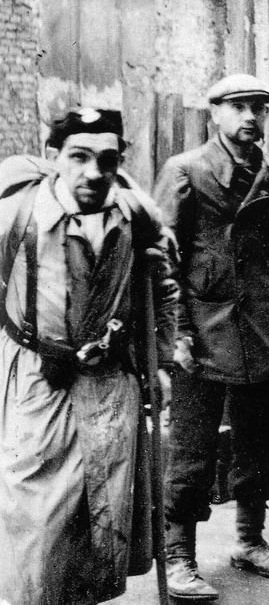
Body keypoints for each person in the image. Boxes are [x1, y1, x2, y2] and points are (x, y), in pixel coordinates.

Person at [0, 108, 178, 604]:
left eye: (106, 159)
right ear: (54, 157)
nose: (93, 173)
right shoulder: (19, 215)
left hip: (109, 385)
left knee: (102, 513)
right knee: (37, 521)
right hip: (41, 382)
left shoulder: (134, 215)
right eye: (79, 157)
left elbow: (162, 286)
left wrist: (160, 360)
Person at [155, 74, 269, 601]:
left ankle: (250, 540)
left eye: (259, 109)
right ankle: (180, 554)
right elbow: (164, 262)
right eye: (239, 107)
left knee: (258, 446)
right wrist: (176, 333)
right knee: (192, 449)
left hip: (266, 331)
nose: (251, 117)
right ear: (215, 113)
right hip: (205, 333)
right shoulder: (186, 172)